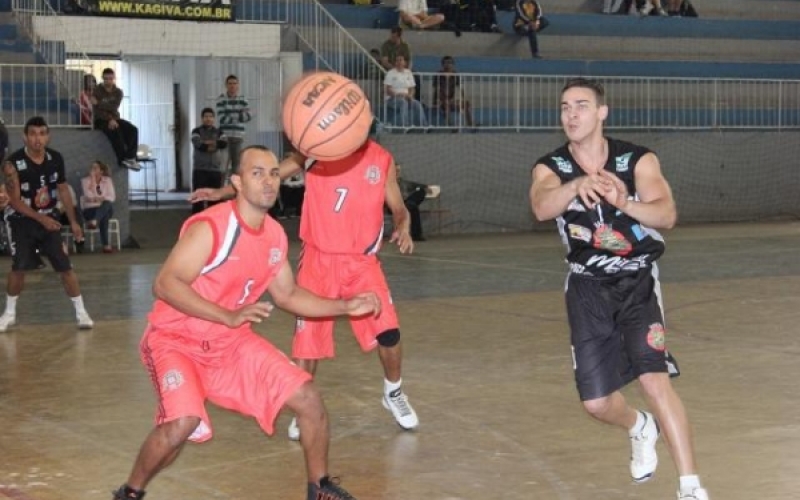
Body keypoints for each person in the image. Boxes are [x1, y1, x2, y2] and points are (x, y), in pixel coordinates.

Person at [112, 146, 378, 500]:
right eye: (257, 173)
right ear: (236, 182)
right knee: (181, 425)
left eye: (273, 173)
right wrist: (228, 315)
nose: (268, 181)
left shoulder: (273, 236)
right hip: (174, 340)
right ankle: (130, 492)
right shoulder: (212, 228)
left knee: (308, 398)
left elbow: (287, 295)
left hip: (229, 344)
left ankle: (320, 489)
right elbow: (165, 284)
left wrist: (346, 306)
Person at [529, 78, 709, 500]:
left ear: (601, 113)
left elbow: (666, 215)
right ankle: (638, 426)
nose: (571, 114)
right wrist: (575, 186)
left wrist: (624, 202)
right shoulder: (551, 167)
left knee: (654, 380)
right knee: (596, 403)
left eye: (581, 105)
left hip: (637, 281)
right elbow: (540, 206)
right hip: (588, 288)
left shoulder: (636, 160)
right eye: (564, 107)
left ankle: (691, 487)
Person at [189, 139, 420, 442]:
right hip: (318, 259)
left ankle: (394, 391)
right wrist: (222, 193)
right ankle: (302, 410)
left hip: (361, 262)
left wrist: (402, 225)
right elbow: (267, 178)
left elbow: (399, 208)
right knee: (307, 344)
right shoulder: (314, 152)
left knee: (389, 332)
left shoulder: (381, 158)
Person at [0, 116, 94, 332]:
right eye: (32, 133)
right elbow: (13, 200)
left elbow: (62, 189)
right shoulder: (12, 164)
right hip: (21, 219)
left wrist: (73, 221)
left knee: (65, 267)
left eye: (42, 133)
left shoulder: (56, 158)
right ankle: (9, 313)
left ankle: (82, 313)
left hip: (48, 217)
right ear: (24, 137)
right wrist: (42, 219)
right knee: (19, 267)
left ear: (48, 136)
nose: (37, 139)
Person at [93, 68, 140, 171]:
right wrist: (109, 118)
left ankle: (130, 157)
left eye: (110, 78)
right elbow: (96, 110)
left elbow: (113, 107)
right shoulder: (96, 91)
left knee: (133, 130)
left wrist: (99, 103)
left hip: (115, 118)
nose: (108, 81)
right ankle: (122, 159)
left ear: (114, 78)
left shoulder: (118, 92)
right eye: (106, 79)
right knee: (115, 130)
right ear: (102, 78)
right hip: (100, 119)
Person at [190, 107, 228, 214]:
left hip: (215, 170)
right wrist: (214, 144)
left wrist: (207, 143)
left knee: (215, 197)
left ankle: (214, 218)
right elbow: (198, 144)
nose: (208, 119)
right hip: (200, 169)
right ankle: (196, 219)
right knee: (198, 197)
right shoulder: (196, 131)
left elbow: (223, 143)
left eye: (210, 117)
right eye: (206, 116)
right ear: (202, 118)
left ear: (214, 119)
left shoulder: (219, 131)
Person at [215, 74, 251, 177]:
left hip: (238, 138)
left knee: (237, 168)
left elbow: (247, 117)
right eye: (230, 83)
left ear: (238, 85)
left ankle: (235, 192)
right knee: (223, 167)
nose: (232, 86)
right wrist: (239, 114)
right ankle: (221, 191)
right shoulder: (221, 99)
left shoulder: (243, 99)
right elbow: (222, 118)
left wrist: (230, 114)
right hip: (224, 138)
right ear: (226, 85)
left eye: (234, 83)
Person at [384, 55, 428, 130]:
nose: (399, 62)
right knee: (403, 102)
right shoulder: (390, 73)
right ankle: (405, 126)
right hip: (392, 98)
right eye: (397, 60)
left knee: (417, 104)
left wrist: (410, 96)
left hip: (406, 97)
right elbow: (387, 89)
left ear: (405, 62)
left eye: (401, 60)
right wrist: (397, 95)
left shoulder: (408, 73)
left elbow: (412, 88)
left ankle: (423, 126)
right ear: (395, 63)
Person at [80, 160, 116, 253]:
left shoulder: (107, 180)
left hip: (105, 207)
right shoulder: (85, 181)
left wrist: (97, 199)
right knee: (105, 215)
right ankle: (106, 245)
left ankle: (95, 221)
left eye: (95, 168)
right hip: (90, 210)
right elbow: (89, 196)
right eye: (92, 168)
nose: (93, 169)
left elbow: (111, 197)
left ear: (101, 171)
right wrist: (92, 179)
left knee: (107, 204)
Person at [433, 55, 475, 128]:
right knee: (446, 104)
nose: (448, 64)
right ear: (442, 64)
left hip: (452, 100)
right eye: (446, 63)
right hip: (442, 101)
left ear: (453, 64)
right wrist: (435, 102)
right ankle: (452, 126)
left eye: (450, 63)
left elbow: (461, 88)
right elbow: (436, 89)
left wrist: (463, 98)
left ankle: (471, 125)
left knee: (467, 104)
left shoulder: (455, 74)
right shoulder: (438, 75)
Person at [396, 164, 429, 242]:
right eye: (395, 170)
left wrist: (426, 186)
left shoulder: (404, 182)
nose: (397, 172)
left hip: (406, 203)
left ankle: (416, 235)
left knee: (421, 191)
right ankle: (409, 205)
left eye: (398, 171)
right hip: (393, 205)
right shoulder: (387, 182)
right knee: (413, 207)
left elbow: (415, 185)